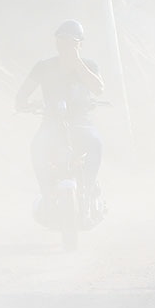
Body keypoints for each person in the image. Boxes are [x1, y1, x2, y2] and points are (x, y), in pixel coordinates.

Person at [15, 19, 107, 225]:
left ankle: (88, 190)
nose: (64, 45)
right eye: (61, 41)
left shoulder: (89, 66)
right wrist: (24, 104)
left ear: (79, 44)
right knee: (37, 146)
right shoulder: (43, 67)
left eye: (70, 42)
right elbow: (22, 95)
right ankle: (47, 195)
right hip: (52, 123)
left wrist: (77, 63)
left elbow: (98, 88)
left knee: (95, 144)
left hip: (81, 123)